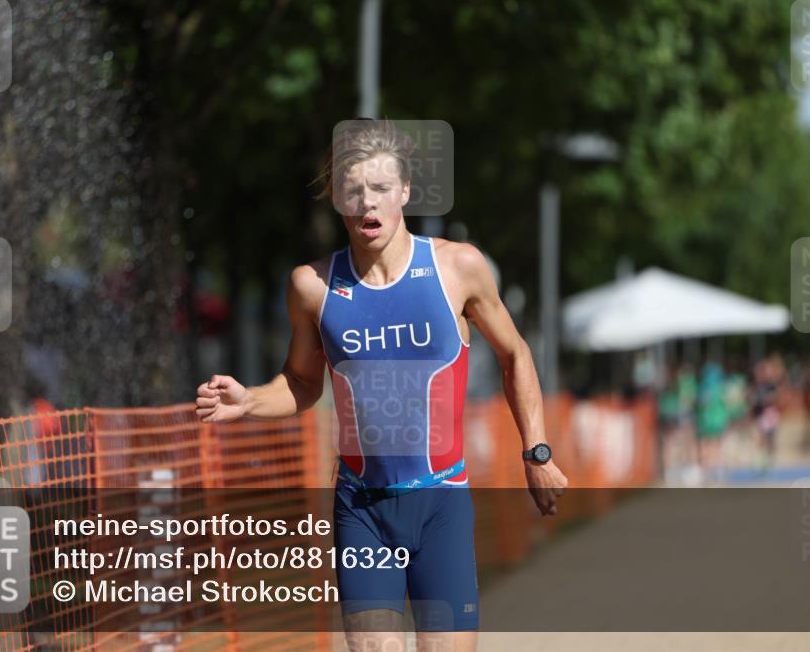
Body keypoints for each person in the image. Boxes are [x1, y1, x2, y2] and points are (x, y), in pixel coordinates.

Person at [196, 119, 567, 651]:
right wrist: (250, 399)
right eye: (353, 191)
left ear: (405, 192)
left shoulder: (457, 268)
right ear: (336, 198)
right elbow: (302, 381)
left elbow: (515, 353)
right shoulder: (312, 285)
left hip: (440, 503)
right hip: (361, 511)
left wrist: (536, 451)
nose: (367, 204)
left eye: (380, 189)